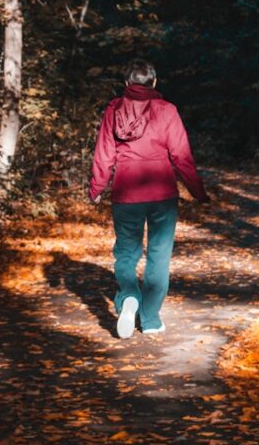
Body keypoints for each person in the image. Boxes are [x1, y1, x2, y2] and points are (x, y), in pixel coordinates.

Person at [88, 58, 210, 339]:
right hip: (162, 195)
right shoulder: (167, 110)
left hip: (126, 193)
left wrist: (97, 188)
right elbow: (181, 156)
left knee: (126, 254)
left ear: (126, 83)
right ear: (154, 82)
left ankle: (129, 297)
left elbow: (104, 153)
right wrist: (198, 191)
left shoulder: (113, 109)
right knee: (159, 255)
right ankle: (151, 318)